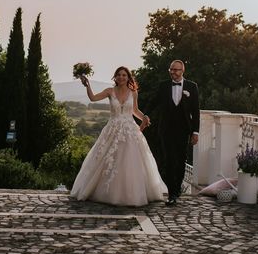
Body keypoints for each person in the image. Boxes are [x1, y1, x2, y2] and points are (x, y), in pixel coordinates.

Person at [70, 66, 166, 206]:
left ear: (128, 77)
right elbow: (93, 98)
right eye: (119, 75)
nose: (121, 77)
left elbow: (134, 111)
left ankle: (131, 193)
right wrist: (88, 85)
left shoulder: (133, 92)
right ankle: (106, 192)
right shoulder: (110, 91)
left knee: (130, 161)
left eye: (124, 75)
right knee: (107, 159)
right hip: (112, 129)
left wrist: (144, 117)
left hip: (130, 130)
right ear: (115, 77)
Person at [155, 59, 200, 206]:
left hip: (183, 130)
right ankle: (171, 192)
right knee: (168, 161)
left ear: (182, 71)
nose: (173, 72)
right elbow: (153, 103)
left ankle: (177, 188)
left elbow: (196, 111)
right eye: (171, 70)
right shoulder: (163, 86)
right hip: (166, 130)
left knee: (181, 161)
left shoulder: (192, 87)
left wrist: (195, 132)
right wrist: (145, 116)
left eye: (176, 70)